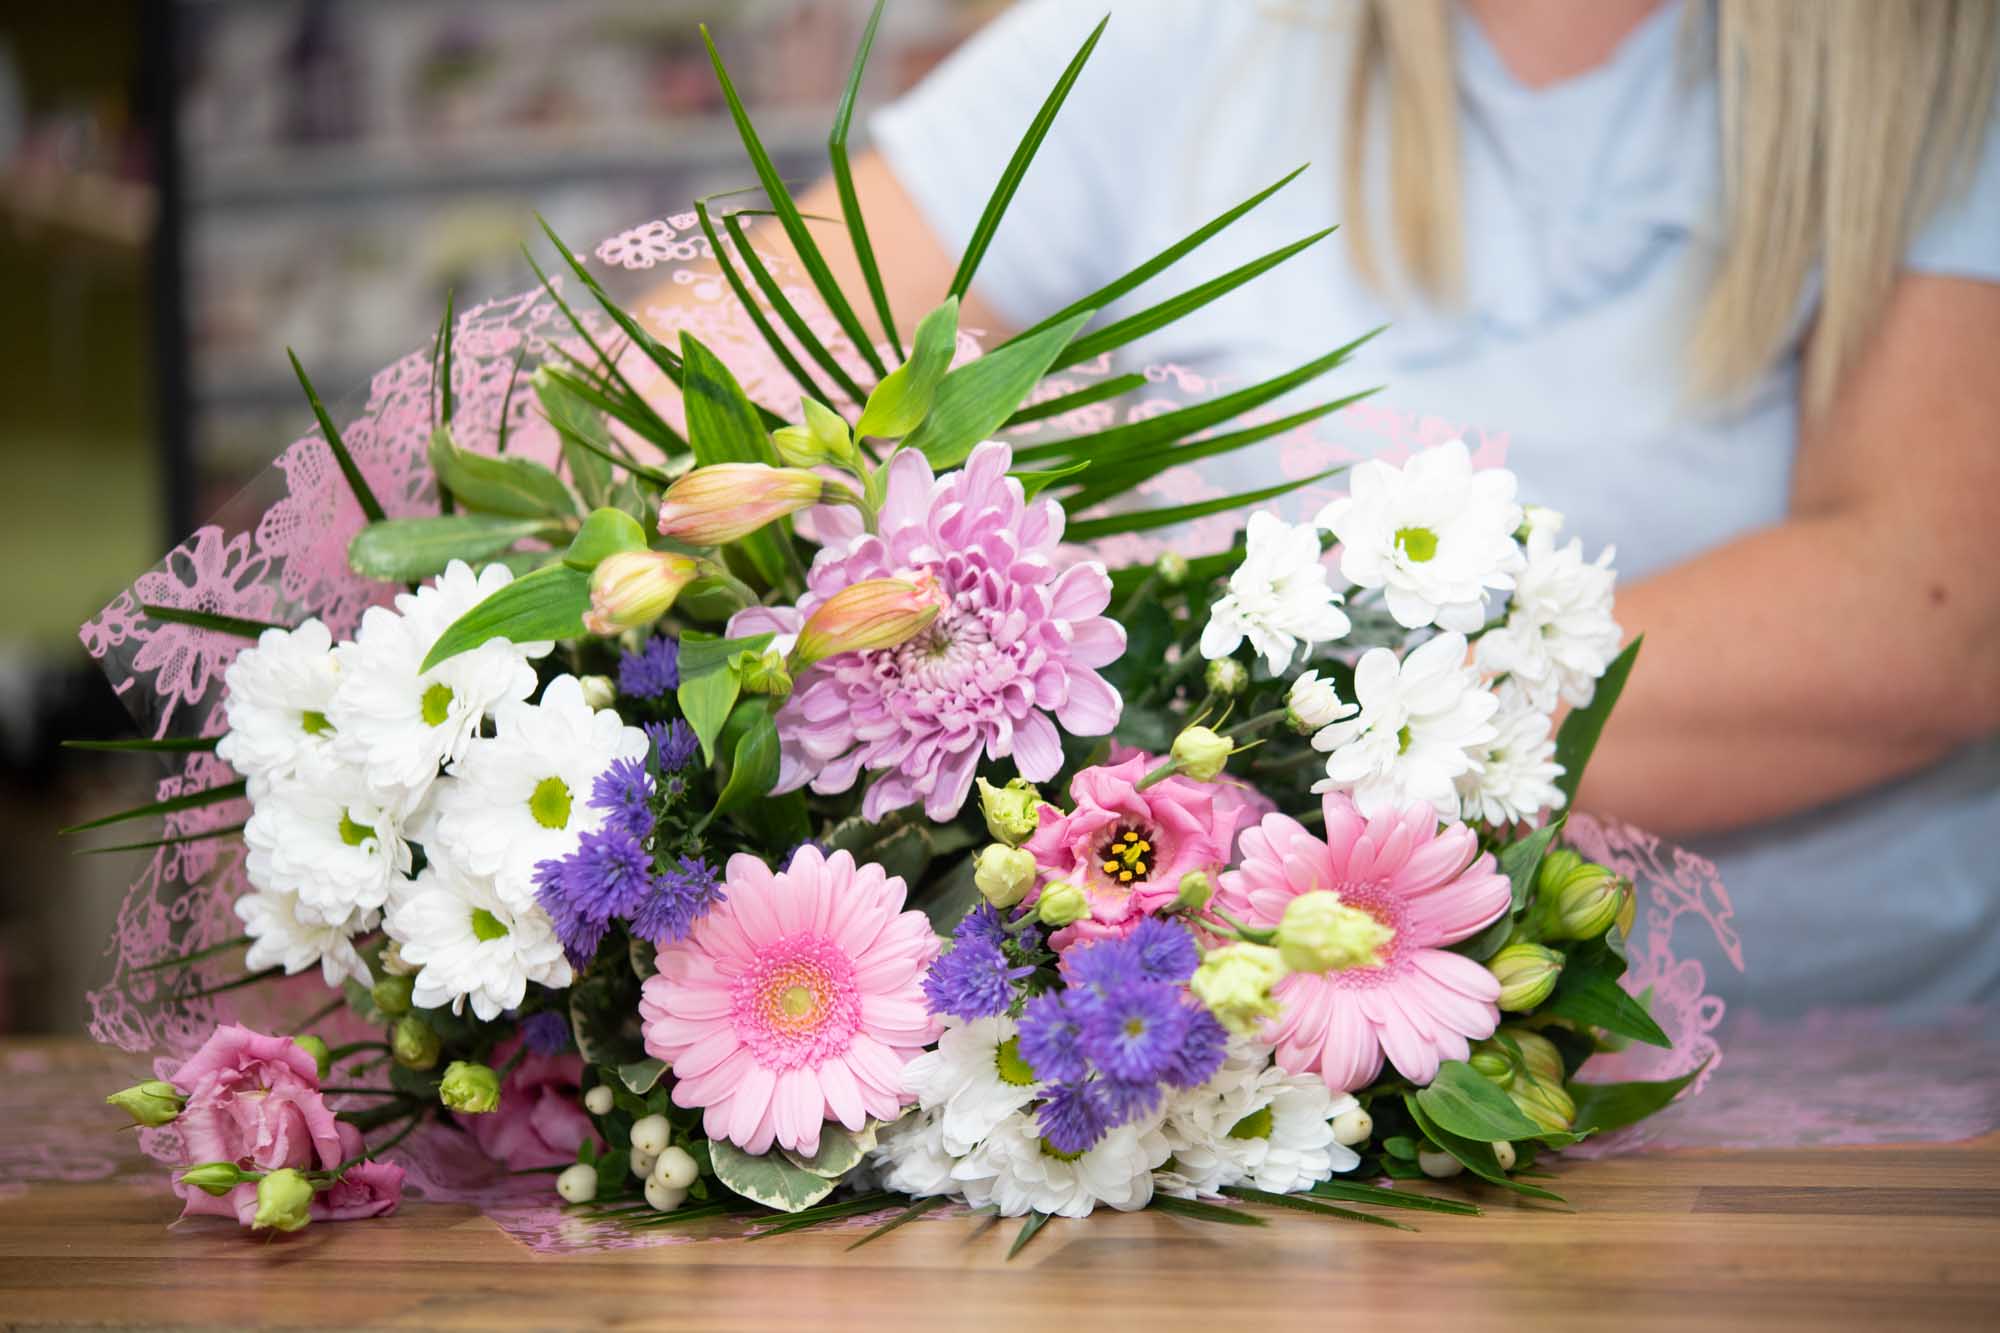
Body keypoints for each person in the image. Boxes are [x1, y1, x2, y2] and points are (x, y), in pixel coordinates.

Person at [677, 0, 2000, 1015]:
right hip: (1258, 1070)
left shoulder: (1943, 66)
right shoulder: (1192, 36)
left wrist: (1225, 769)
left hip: (1837, 1081)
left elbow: (1934, 609)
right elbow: (716, 353)